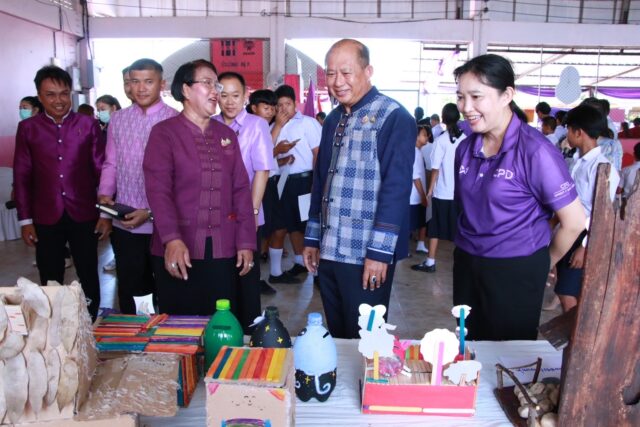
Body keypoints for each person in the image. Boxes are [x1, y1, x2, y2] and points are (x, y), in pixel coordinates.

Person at [452, 54, 586, 341]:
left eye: (476, 96)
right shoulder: (465, 148)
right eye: (461, 97)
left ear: (506, 95)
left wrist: (545, 262)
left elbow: (574, 221)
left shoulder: (535, 151)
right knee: (467, 343)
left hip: (515, 267)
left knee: (508, 352)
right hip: (467, 261)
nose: (466, 107)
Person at [303, 39, 416, 339]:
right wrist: (312, 237)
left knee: (367, 339)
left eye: (346, 72)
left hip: (366, 253)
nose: (337, 81)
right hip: (330, 248)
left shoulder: (393, 117)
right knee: (339, 334)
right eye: (330, 73)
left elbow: (396, 189)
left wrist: (379, 253)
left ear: (368, 71)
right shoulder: (333, 119)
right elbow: (321, 180)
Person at [143, 59, 255, 316]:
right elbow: (159, 192)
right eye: (207, 83)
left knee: (221, 319)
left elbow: (240, 190)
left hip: (223, 247)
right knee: (181, 324)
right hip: (180, 247)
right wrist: (172, 239)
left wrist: (245, 241)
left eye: (216, 85)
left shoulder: (226, 135)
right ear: (186, 90)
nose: (215, 91)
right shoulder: (164, 133)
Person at [13, 65, 110, 319]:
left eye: (64, 94)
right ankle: (53, 323)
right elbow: (22, 176)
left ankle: (89, 320)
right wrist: (25, 220)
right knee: (50, 273)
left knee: (88, 270)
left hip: (85, 212)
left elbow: (101, 171)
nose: (59, 100)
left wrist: (105, 214)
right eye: (51, 94)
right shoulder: (28, 129)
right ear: (39, 95)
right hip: (45, 215)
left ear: (71, 94)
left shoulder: (88, 125)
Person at [98, 59, 179, 315]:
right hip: (126, 223)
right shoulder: (118, 119)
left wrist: (150, 211)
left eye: (148, 81)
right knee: (133, 288)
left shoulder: (175, 120)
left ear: (161, 84)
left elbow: (180, 177)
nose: (141, 88)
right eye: (135, 81)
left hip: (164, 224)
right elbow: (111, 163)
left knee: (169, 287)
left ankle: (166, 337)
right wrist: (104, 202)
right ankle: (138, 334)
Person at [214, 71, 275, 329]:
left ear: (245, 96)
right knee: (221, 275)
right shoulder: (210, 124)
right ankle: (223, 329)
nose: (229, 102)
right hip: (216, 215)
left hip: (247, 211)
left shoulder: (256, 125)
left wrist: (252, 212)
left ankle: (250, 332)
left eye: (235, 95)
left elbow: (262, 170)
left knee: (246, 274)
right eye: (224, 95)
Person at [555, 105, 619, 312]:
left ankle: (574, 332)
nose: (566, 134)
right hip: (568, 230)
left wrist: (585, 246)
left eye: (568, 129)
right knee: (564, 289)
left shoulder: (602, 168)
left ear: (578, 132)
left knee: (567, 293)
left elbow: (602, 213)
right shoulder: (576, 162)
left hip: (583, 235)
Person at [268, 84, 321, 284]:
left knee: (307, 225)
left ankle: (317, 272)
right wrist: (281, 157)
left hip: (304, 181)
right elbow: (266, 155)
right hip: (281, 180)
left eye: (287, 104)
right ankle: (292, 265)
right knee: (285, 225)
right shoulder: (273, 127)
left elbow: (318, 153)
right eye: (279, 105)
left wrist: (316, 182)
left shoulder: (308, 123)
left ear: (295, 103)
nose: (283, 109)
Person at [412, 103, 465, 273]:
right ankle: (461, 264)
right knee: (459, 229)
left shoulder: (441, 140)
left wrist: (429, 191)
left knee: (434, 228)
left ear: (443, 119)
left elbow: (435, 169)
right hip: (459, 193)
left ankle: (430, 262)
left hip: (441, 192)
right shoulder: (465, 140)